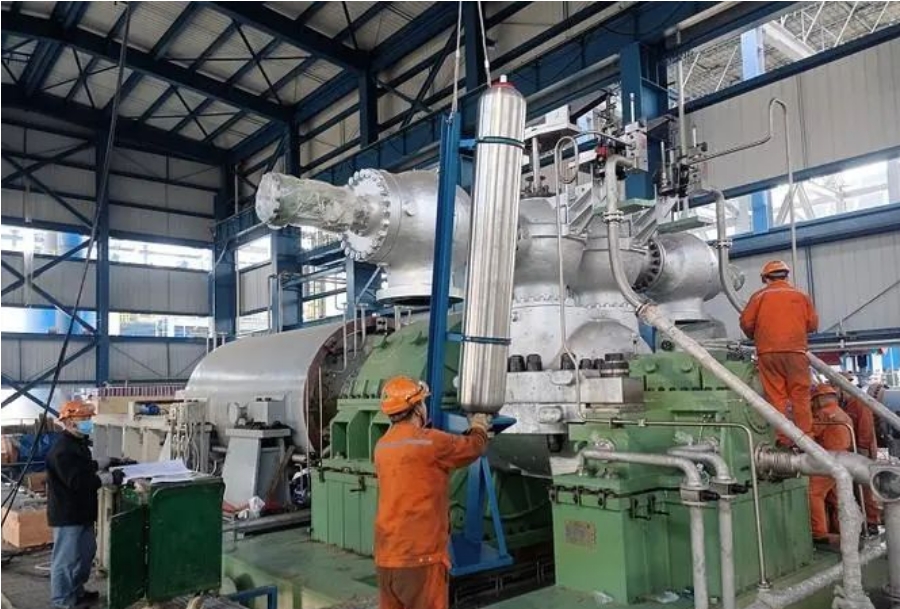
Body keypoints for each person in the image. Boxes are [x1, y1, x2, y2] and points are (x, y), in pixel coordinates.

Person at [373, 376, 490, 609]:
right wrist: (479, 427)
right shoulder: (430, 443)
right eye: (423, 402)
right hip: (421, 556)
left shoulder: (382, 446)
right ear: (417, 408)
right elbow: (472, 447)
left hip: (387, 557)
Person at [46, 400, 122, 609]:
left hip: (83, 512)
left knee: (85, 555)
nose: (88, 422)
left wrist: (106, 461)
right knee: (66, 561)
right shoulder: (62, 450)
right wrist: (109, 478)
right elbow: (78, 481)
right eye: (84, 418)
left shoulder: (78, 443)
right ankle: (62, 602)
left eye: (89, 418)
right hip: (68, 516)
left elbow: (83, 466)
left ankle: (76, 593)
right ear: (69, 421)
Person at [740, 260, 819, 447]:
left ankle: (782, 439)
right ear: (786, 276)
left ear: (765, 279)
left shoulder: (759, 297)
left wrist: (756, 335)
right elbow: (813, 324)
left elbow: (746, 323)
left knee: (776, 397)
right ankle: (806, 440)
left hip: (768, 354)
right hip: (796, 352)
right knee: (800, 395)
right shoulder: (801, 295)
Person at [808, 384, 853, 547]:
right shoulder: (842, 413)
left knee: (814, 493)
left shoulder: (824, 413)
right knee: (837, 498)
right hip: (844, 459)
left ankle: (819, 533)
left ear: (819, 399)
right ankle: (845, 530)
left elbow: (811, 433)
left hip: (829, 460)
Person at [837, 372, 881, 533]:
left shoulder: (859, 403)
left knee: (864, 488)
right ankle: (862, 520)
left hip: (862, 452)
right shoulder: (844, 403)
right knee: (855, 489)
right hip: (851, 451)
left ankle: (872, 522)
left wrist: (861, 451)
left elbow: (865, 428)